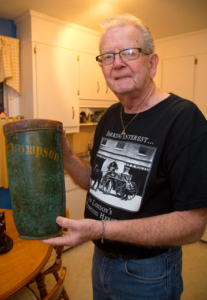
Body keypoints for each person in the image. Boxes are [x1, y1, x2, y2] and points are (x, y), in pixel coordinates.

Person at [42, 14, 207, 300]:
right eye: (107, 56)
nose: (117, 63)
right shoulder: (109, 116)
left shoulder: (183, 118)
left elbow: (193, 224)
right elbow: (97, 182)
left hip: (148, 273)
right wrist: (68, 157)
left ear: (152, 63)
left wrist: (99, 228)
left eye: (128, 53)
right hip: (101, 259)